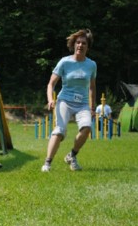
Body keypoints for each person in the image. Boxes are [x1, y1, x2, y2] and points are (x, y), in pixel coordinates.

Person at [41, 29, 97, 172]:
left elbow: (92, 88)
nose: (80, 45)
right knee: (59, 131)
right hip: (64, 101)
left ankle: (72, 155)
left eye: (83, 43)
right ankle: (47, 164)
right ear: (74, 45)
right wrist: (50, 99)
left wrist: (92, 107)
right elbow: (51, 84)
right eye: (78, 42)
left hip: (83, 103)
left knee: (87, 128)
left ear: (87, 47)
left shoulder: (91, 65)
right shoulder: (64, 62)